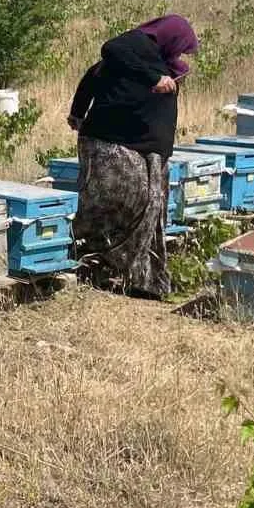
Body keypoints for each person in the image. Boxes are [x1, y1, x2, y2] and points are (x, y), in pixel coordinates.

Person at [68, 15, 198, 299]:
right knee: (125, 200)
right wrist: (78, 113)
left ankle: (142, 279)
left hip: (150, 149)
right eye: (180, 47)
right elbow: (107, 54)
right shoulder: (135, 47)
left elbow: (94, 75)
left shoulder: (160, 62)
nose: (180, 54)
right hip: (112, 141)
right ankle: (93, 259)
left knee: (153, 209)